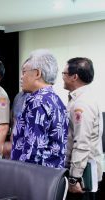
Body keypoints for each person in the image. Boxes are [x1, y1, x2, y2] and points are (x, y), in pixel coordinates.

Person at [11, 49, 68, 168]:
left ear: (37, 73)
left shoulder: (37, 102)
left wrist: (19, 175)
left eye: (24, 72)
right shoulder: (56, 99)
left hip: (35, 177)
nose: (21, 77)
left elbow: (32, 149)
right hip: (52, 175)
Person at [62, 57, 103, 200]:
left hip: (82, 178)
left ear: (74, 77)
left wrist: (74, 178)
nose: (62, 77)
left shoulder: (82, 103)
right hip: (80, 173)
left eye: (64, 73)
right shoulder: (79, 99)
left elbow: (82, 143)